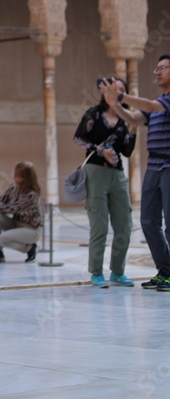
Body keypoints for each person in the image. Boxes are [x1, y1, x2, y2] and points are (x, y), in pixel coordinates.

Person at [103, 55, 170, 292]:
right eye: (157, 68)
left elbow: (149, 107)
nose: (158, 72)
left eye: (163, 68)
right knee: (149, 222)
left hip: (169, 167)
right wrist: (115, 105)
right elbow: (132, 117)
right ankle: (165, 271)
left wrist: (121, 96)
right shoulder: (158, 102)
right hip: (154, 167)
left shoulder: (164, 102)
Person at [73, 76, 137, 288]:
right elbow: (79, 138)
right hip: (96, 172)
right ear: (104, 92)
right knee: (99, 225)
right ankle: (96, 272)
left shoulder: (124, 119)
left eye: (121, 89)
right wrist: (100, 150)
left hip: (117, 174)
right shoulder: (94, 114)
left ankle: (118, 272)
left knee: (125, 225)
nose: (116, 92)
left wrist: (134, 131)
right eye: (113, 88)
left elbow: (126, 151)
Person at [0, 162, 43, 263]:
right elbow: (0, 201)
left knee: (2, 239)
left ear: (24, 178)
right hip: (16, 223)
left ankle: (30, 248)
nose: (13, 176)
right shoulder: (14, 187)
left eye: (16, 175)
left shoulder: (31, 195)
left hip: (31, 229)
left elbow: (9, 209)